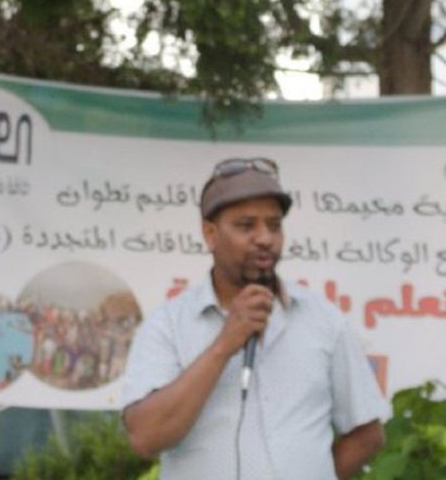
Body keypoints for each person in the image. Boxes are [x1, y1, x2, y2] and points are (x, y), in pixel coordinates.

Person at [120, 157, 388, 480]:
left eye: (274, 225)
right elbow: (145, 438)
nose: (264, 238)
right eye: (246, 226)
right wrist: (224, 345)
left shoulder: (324, 320)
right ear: (210, 234)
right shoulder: (168, 325)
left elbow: (367, 434)